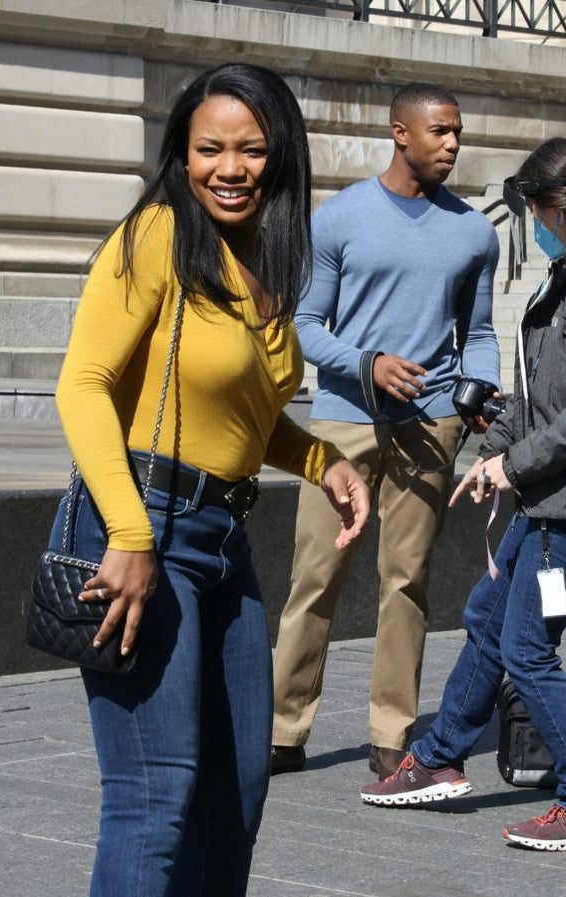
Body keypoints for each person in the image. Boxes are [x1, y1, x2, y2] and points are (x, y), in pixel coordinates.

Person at [51, 63, 370, 897]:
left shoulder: (264, 258)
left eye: (251, 149)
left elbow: (248, 416)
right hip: (139, 522)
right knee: (155, 796)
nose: (229, 169)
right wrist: (130, 535)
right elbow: (82, 384)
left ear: (281, 155)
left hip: (222, 541)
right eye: (209, 149)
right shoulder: (158, 233)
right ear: (182, 154)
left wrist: (323, 461)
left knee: (237, 793)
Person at [271, 82, 500, 779]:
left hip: (431, 423)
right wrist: (366, 364)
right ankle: (283, 728)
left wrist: (477, 389)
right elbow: (305, 325)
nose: (452, 144)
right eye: (440, 131)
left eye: (457, 132)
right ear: (400, 132)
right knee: (316, 575)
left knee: (407, 580)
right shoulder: (341, 217)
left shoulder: (475, 232)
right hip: (344, 418)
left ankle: (391, 730)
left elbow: (478, 332)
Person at [360, 137, 566, 850]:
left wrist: (516, 466)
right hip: (543, 499)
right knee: (486, 616)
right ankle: (440, 757)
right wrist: (495, 450)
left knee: (528, 650)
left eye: (537, 212)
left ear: (558, 209)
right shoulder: (557, 282)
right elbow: (538, 400)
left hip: (560, 510)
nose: (534, 227)